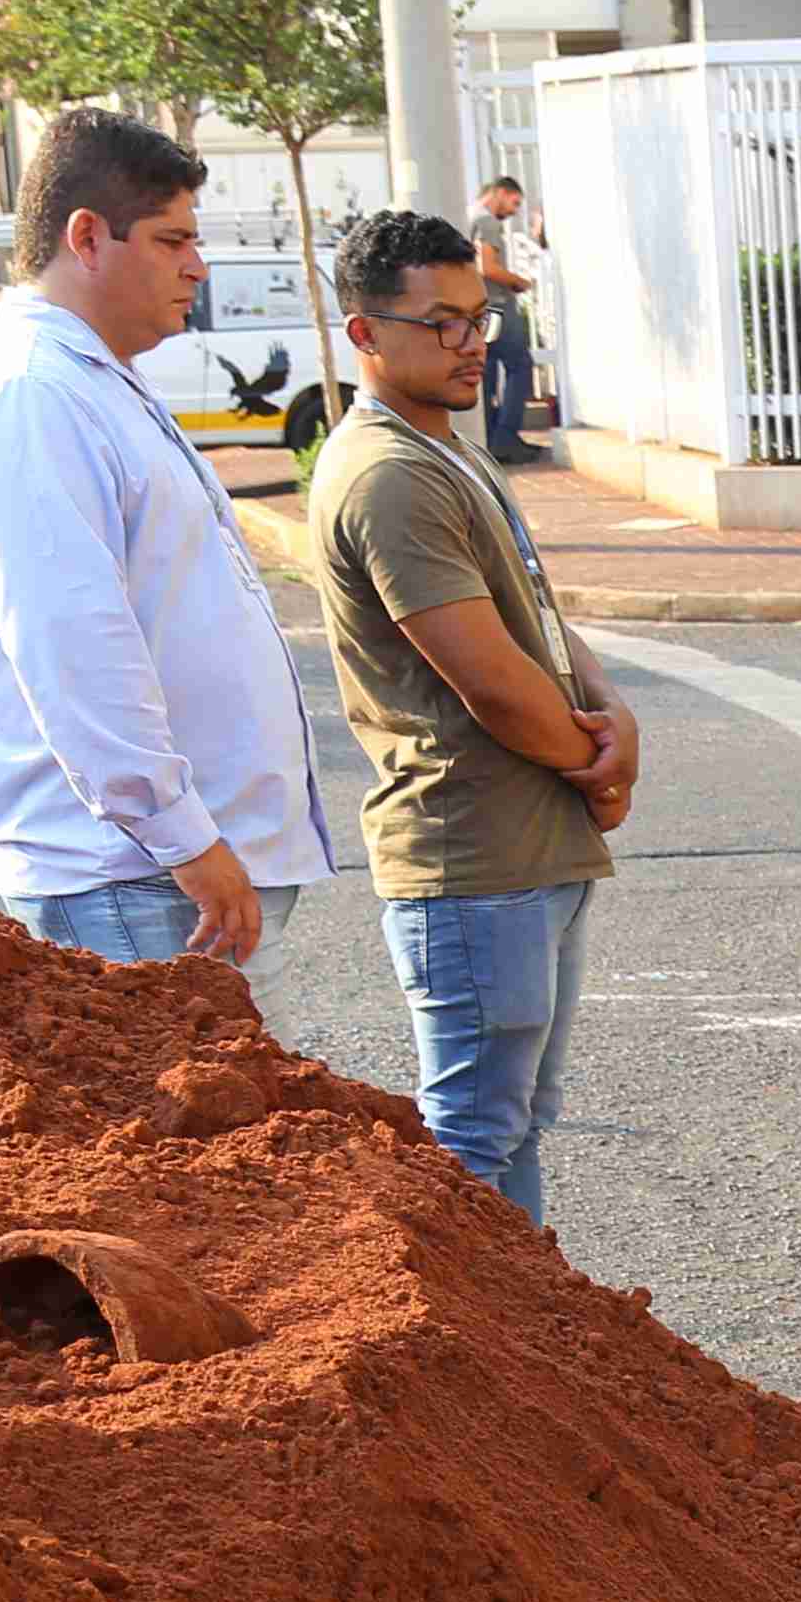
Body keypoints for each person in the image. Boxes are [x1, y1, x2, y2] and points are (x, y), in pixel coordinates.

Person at [0, 107, 342, 969]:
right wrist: (180, 838)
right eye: (171, 240)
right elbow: (72, 645)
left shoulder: (93, 381)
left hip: (163, 872)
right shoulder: (28, 395)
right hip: (132, 879)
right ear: (87, 237)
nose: (197, 267)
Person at [305, 208, 640, 1223]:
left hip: (530, 849)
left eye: (478, 318)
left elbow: (530, 616)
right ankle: (464, 1365)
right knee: (471, 1146)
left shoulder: (448, 449)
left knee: (520, 1121)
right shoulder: (389, 475)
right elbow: (486, 678)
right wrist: (595, 761)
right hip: (471, 854)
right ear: (365, 334)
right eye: (440, 323)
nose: (468, 345)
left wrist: (611, 708)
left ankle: (528, 1354)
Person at [466, 173, 543, 469]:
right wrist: (520, 282)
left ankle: (490, 440)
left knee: (485, 376)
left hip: (478, 309)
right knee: (519, 366)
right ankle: (506, 439)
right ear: (499, 193)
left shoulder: (468, 215)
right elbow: (488, 267)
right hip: (496, 305)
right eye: (514, 202)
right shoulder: (487, 221)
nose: (514, 211)